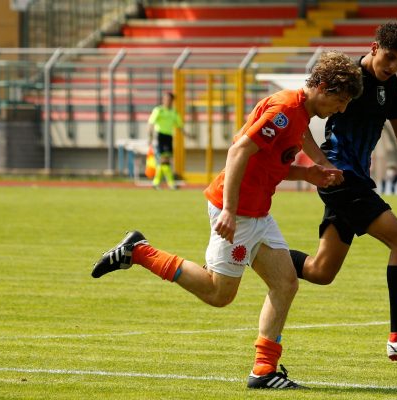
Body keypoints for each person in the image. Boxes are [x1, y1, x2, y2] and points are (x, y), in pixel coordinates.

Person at [91, 51, 363, 389]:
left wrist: (308, 174)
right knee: (219, 294)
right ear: (322, 86)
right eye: (339, 100)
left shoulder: (299, 113)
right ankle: (139, 251)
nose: (341, 109)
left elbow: (270, 163)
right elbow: (238, 152)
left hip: (258, 212)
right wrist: (230, 212)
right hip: (237, 211)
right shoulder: (284, 112)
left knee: (285, 284)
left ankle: (264, 371)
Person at [289, 22, 397, 362]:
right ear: (374, 47)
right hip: (342, 178)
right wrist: (321, 163)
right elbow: (299, 119)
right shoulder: (347, 76)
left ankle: (252, 250)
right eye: (390, 58)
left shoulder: (389, 86)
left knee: (321, 271)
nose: (393, 67)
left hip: (354, 179)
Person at [148, 92, 183, 190]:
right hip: (160, 136)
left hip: (169, 137)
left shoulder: (174, 112)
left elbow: (179, 125)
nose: (167, 101)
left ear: (172, 101)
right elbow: (151, 123)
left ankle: (156, 183)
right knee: (164, 160)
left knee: (165, 161)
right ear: (163, 100)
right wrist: (150, 136)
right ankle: (170, 183)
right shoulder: (158, 110)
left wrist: (188, 135)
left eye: (169, 99)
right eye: (165, 99)